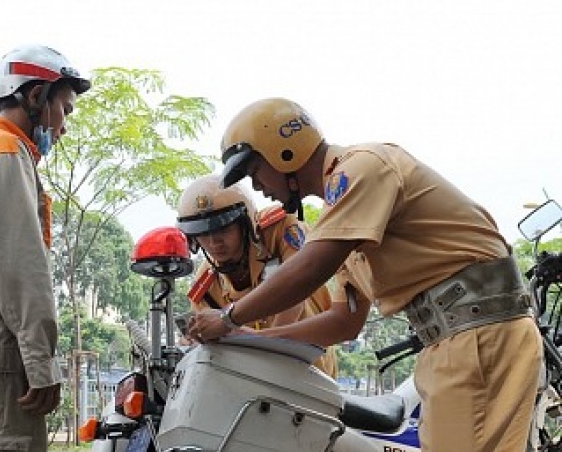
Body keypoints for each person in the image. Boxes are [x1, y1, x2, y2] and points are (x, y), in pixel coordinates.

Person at [190, 97, 541, 452]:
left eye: (255, 172)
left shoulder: (361, 169)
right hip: (451, 341)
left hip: (478, 334)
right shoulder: (344, 220)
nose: (259, 188)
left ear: (284, 152)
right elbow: (345, 321)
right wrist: (260, 340)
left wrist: (229, 318)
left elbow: (312, 267)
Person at [0, 44, 90, 452]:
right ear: (36, 96)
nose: (64, 124)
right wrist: (41, 361)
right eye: (65, 108)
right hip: (1, 357)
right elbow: (18, 270)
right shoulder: (6, 154)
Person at [176, 173, 339, 378]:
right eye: (202, 233)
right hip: (251, 384)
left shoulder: (281, 228)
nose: (213, 241)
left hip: (311, 372)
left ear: (245, 223)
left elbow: (295, 290)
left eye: (224, 229)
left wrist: (256, 342)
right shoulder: (205, 288)